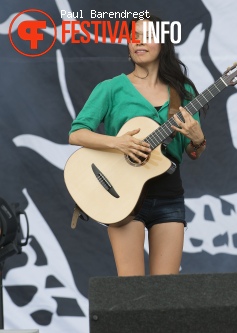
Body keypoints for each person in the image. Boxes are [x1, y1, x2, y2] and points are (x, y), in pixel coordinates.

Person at [68, 14, 206, 276]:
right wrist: (119, 143)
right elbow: (77, 133)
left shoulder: (183, 91)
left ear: (163, 44)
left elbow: (193, 152)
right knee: (131, 293)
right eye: (134, 37)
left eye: (147, 37)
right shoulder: (111, 88)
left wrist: (198, 138)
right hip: (122, 195)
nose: (138, 42)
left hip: (168, 196)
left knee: (165, 294)